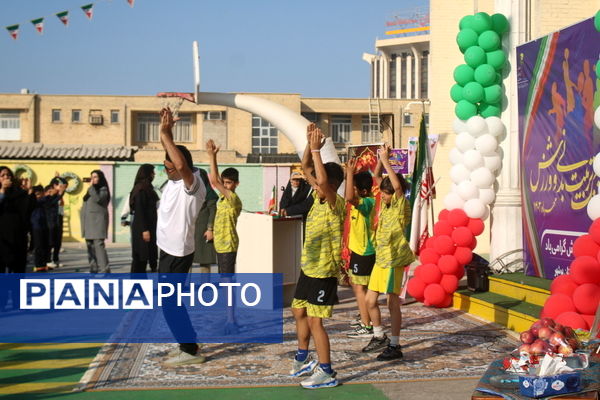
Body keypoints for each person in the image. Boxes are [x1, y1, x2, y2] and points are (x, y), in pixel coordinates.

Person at [290, 124, 345, 389]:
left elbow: (321, 179)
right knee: (298, 310)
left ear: (333, 185)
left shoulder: (337, 202)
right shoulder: (317, 193)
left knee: (315, 320)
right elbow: (305, 168)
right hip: (308, 267)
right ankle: (303, 358)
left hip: (324, 271)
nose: (316, 183)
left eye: (323, 182)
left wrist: (316, 150)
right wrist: (310, 146)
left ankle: (327, 372)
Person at [156, 107, 206, 366]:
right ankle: (187, 344)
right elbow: (176, 163)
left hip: (177, 253)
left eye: (170, 167)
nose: (167, 171)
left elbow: (181, 165)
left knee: (170, 304)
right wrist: (167, 136)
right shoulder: (174, 181)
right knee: (169, 303)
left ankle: (189, 350)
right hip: (166, 250)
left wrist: (166, 134)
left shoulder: (194, 184)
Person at [361, 144, 415, 361]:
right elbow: (376, 177)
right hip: (380, 260)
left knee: (391, 302)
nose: (381, 197)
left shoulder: (401, 203)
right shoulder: (385, 201)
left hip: (395, 260)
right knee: (369, 301)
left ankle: (395, 344)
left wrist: (388, 162)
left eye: (385, 194)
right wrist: (381, 159)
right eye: (381, 193)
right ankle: (378, 335)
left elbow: (398, 188)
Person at [205, 139, 242, 334]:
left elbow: (214, 181)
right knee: (226, 282)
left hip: (228, 245)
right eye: (225, 182)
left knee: (228, 283)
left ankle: (231, 319)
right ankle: (230, 318)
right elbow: (215, 181)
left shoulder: (233, 198)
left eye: (228, 183)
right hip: (220, 244)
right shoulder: (221, 198)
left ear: (236, 184)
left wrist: (212, 156)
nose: (225, 185)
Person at [344, 159, 377, 339]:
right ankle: (365, 318)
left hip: (365, 252)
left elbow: (349, 197)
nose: (352, 191)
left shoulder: (367, 203)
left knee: (359, 289)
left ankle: (367, 325)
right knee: (358, 287)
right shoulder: (364, 200)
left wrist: (349, 173)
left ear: (363, 191)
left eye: (354, 187)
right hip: (358, 251)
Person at [0, 166, 32, 309]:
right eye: (2, 175)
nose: (6, 178)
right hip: (2, 239)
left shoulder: (19, 194)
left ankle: (17, 301)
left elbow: (29, 211)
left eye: (8, 175)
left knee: (18, 270)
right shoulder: (2, 194)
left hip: (18, 237)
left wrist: (29, 192)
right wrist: (2, 191)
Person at [129, 164, 159, 274]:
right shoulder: (141, 189)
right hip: (142, 228)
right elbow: (140, 211)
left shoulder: (146, 187)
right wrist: (144, 230)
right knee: (140, 258)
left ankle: (139, 285)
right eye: (152, 172)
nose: (154, 175)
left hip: (147, 226)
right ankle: (137, 285)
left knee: (143, 257)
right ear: (147, 174)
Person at [81, 170, 111, 273]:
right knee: (90, 247)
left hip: (98, 223)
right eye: (91, 177)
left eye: (95, 177)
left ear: (100, 178)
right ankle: (93, 269)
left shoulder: (103, 190)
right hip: (88, 223)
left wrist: (91, 187)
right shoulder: (91, 191)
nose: (92, 179)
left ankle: (104, 270)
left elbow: (98, 199)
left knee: (99, 247)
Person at [193, 167, 218, 275]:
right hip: (190, 229)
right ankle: (183, 285)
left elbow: (213, 212)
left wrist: (210, 229)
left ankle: (204, 285)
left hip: (203, 230)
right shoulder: (191, 191)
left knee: (205, 259)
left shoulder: (209, 193)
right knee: (185, 259)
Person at [47, 177, 67, 268]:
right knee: (50, 241)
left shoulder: (60, 195)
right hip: (50, 220)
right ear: (55, 186)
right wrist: (60, 195)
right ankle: (47, 260)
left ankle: (56, 259)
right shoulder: (49, 193)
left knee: (58, 241)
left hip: (59, 218)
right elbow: (50, 203)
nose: (63, 188)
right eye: (61, 186)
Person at [30, 185, 51, 272]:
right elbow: (44, 199)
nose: (39, 196)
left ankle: (43, 264)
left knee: (45, 245)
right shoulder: (34, 201)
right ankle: (38, 265)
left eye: (40, 194)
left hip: (44, 225)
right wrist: (49, 195)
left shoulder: (43, 201)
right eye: (37, 194)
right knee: (38, 246)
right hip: (36, 226)